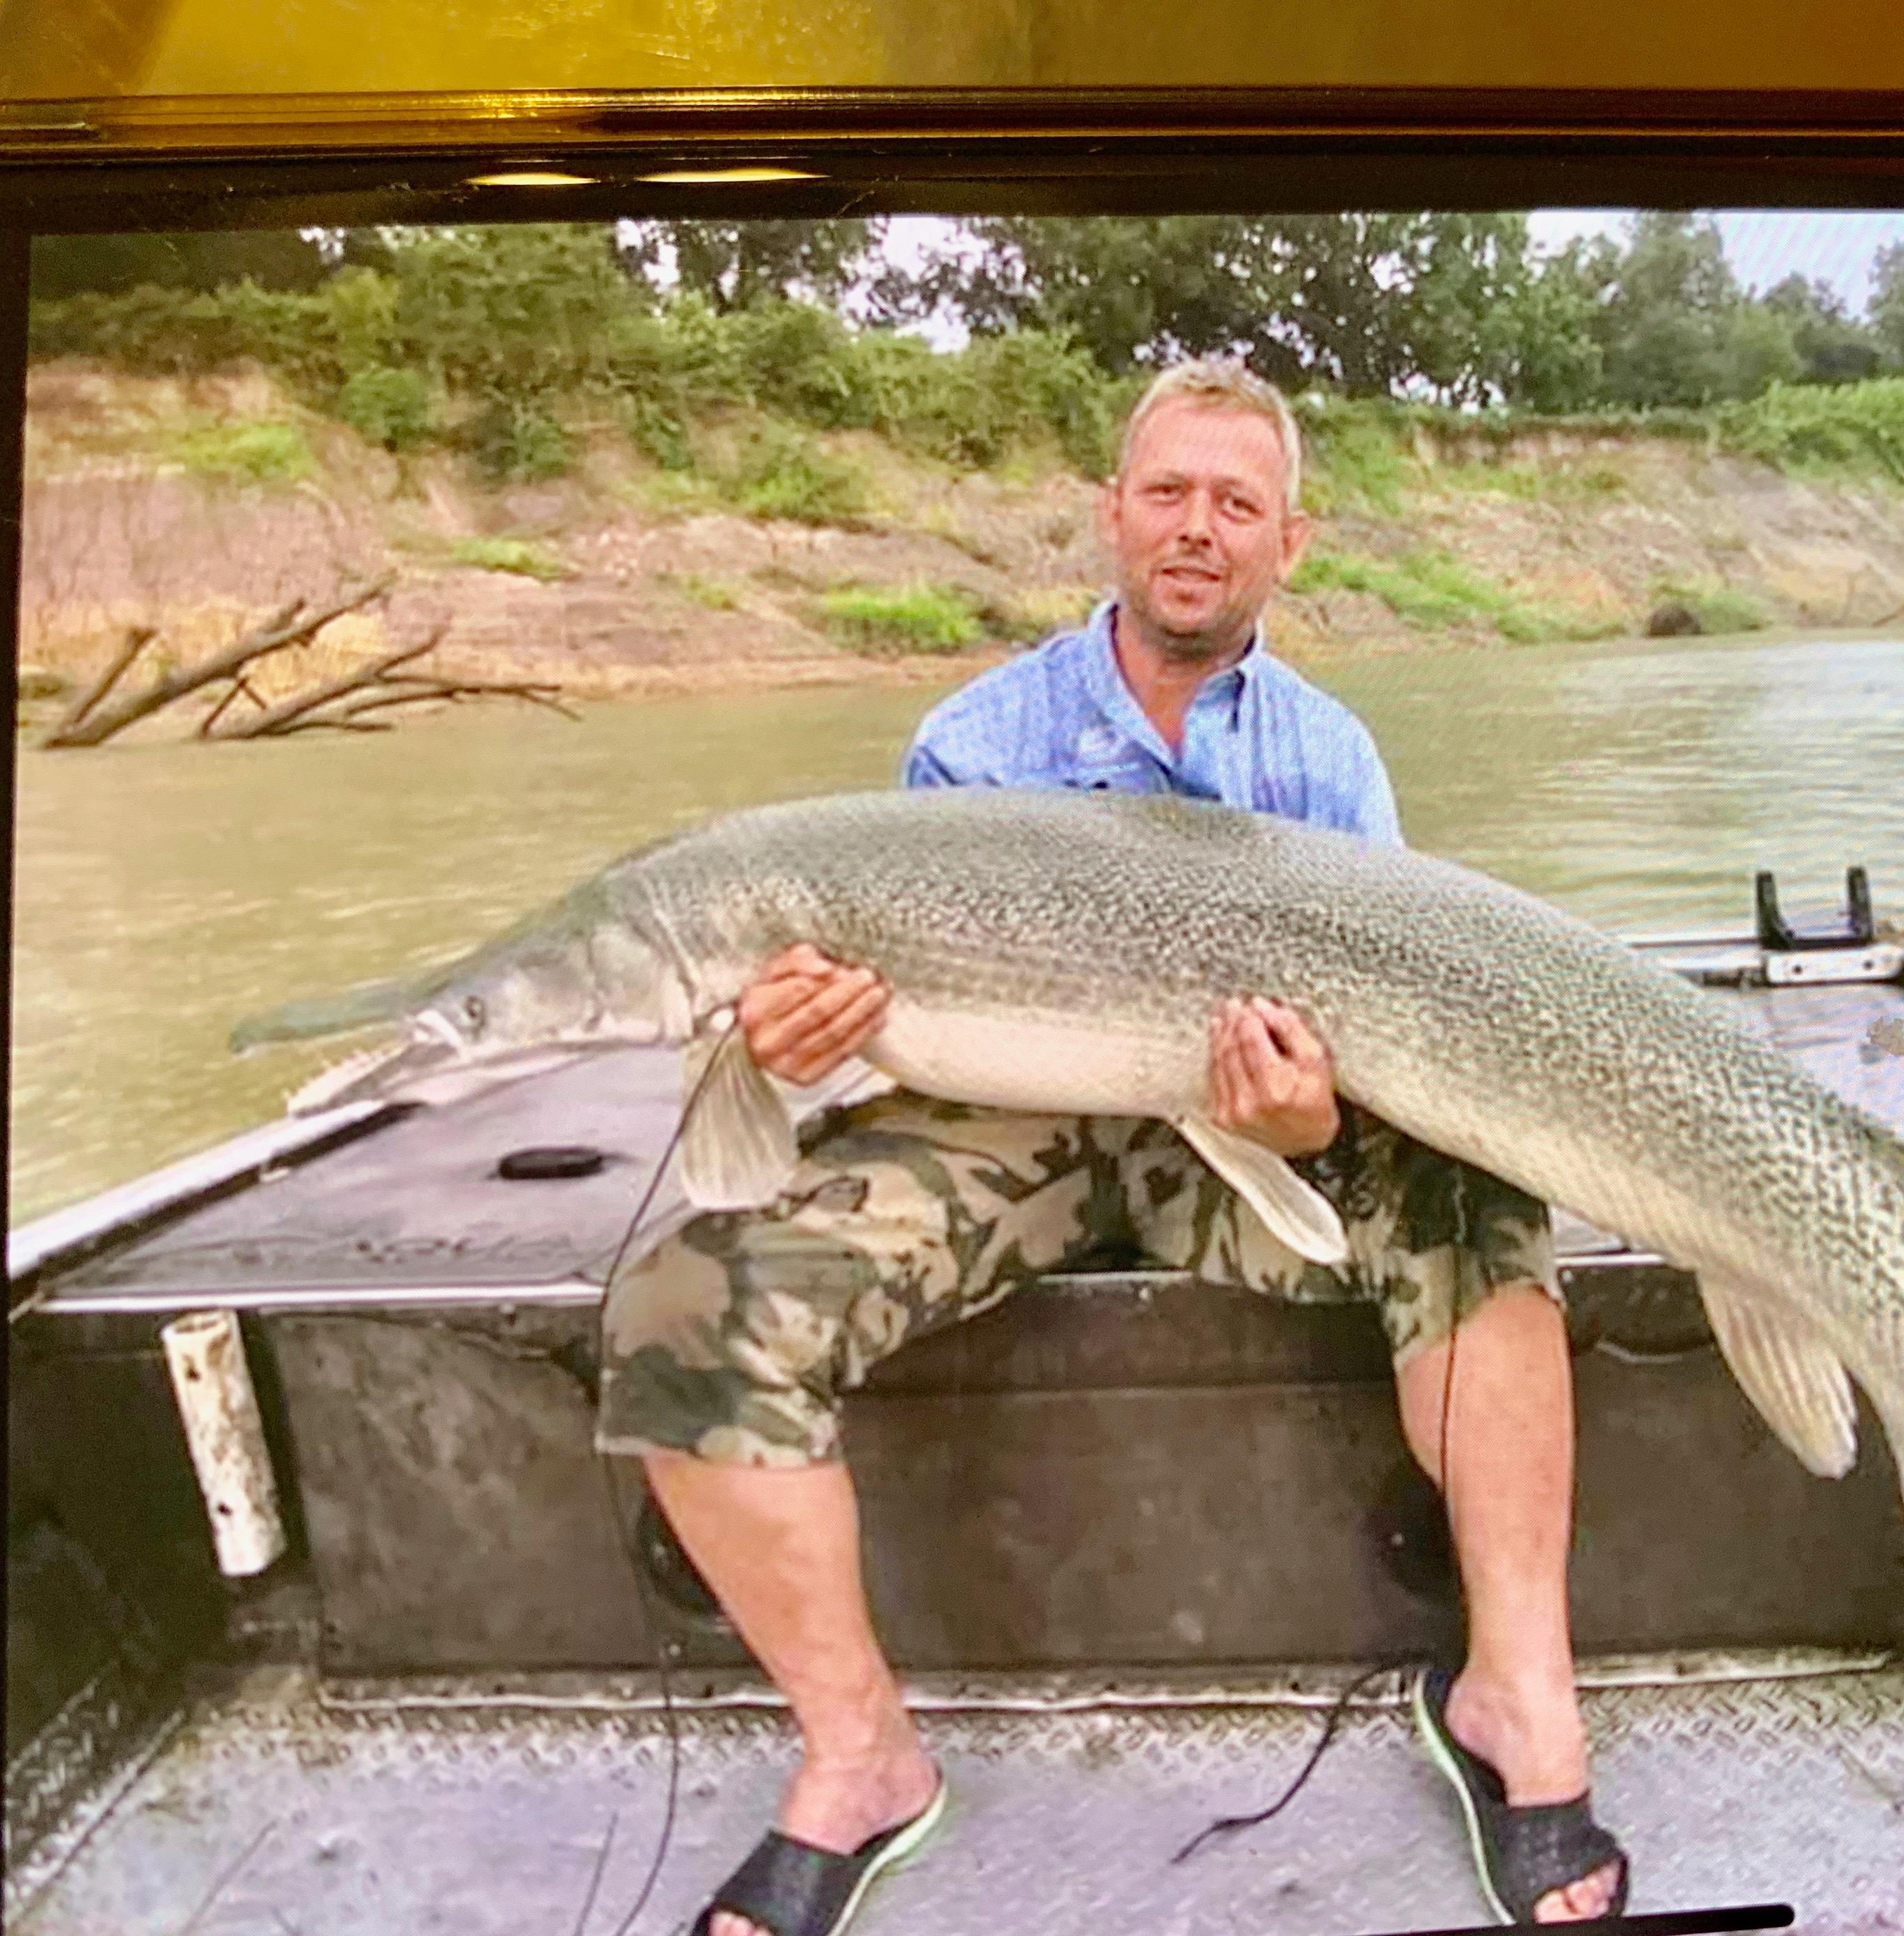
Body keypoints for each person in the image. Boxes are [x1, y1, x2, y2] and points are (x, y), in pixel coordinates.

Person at [595, 358, 1628, 1935]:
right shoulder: (969, 736)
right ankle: (863, 1758)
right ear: (1112, 518)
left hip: (1244, 1137)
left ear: (1292, 542)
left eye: (1237, 502)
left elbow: (1393, 1035)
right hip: (1007, 1132)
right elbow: (883, 1019)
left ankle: (1517, 1699)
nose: (1196, 528)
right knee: (680, 1303)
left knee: (1486, 1198)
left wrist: (1310, 1113)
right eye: (1167, 493)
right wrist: (795, 1038)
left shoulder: (1330, 761)